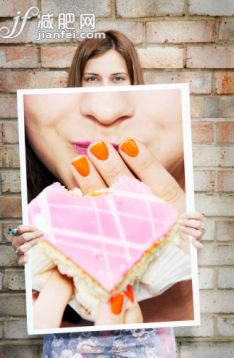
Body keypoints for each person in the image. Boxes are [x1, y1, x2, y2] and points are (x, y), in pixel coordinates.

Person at [10, 30, 205, 357]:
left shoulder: (175, 226)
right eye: (90, 79)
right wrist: (32, 249)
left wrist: (185, 240)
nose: (105, 111)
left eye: (119, 78)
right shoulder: (44, 213)